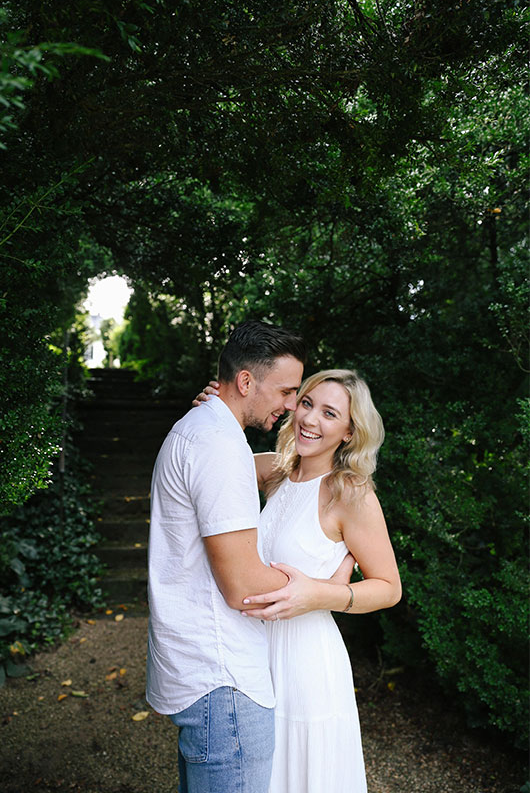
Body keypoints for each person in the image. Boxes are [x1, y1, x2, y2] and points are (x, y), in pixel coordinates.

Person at [197, 368, 402, 793]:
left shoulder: (351, 492)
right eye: (307, 404)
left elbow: (388, 587)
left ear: (349, 432)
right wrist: (215, 412)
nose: (311, 420)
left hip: (307, 661)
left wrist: (319, 594)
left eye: (330, 413)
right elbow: (217, 455)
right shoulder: (277, 472)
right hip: (253, 651)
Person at [146, 320, 308, 793]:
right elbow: (243, 586)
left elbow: (259, 469)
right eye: (286, 391)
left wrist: (328, 461)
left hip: (209, 673)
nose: (292, 405)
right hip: (224, 680)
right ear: (245, 382)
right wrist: (327, 590)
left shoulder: (209, 431)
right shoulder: (215, 442)